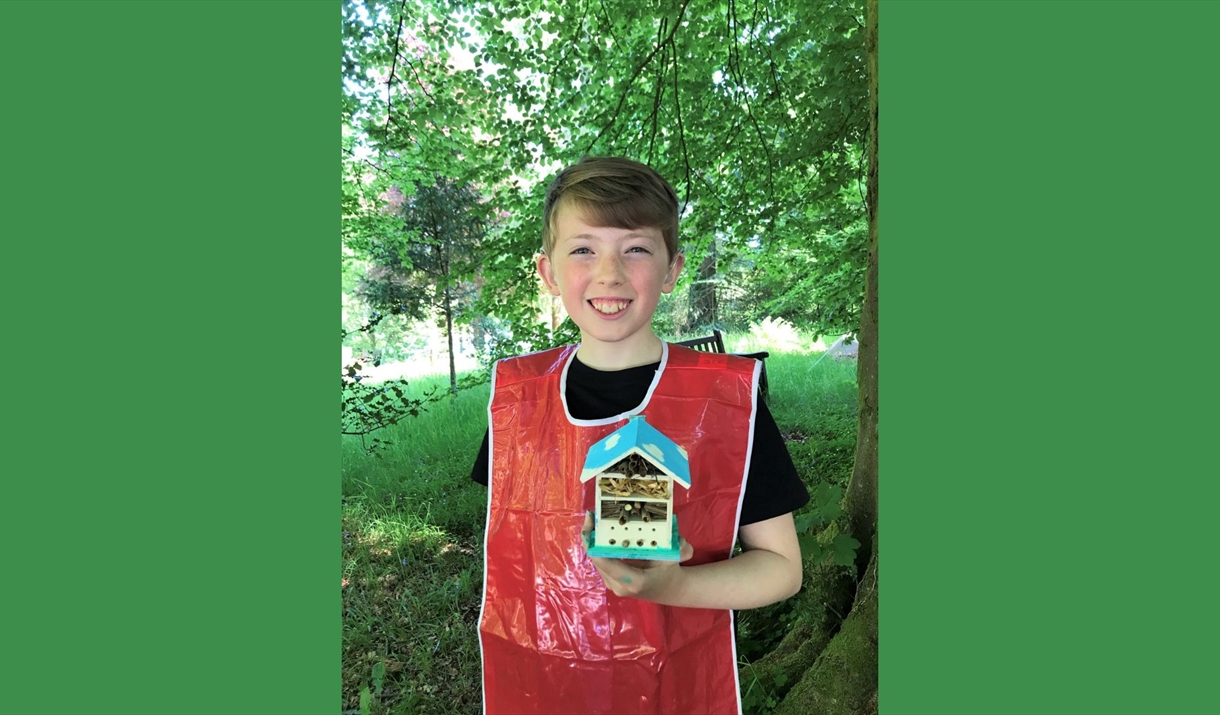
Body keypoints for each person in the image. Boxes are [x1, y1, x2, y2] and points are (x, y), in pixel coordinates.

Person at [472, 156, 809, 715]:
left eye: (635, 248)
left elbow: (782, 567)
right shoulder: (514, 401)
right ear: (548, 272)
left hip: (671, 688)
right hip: (540, 682)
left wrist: (672, 590)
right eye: (583, 248)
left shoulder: (729, 403)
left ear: (672, 268)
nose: (609, 273)